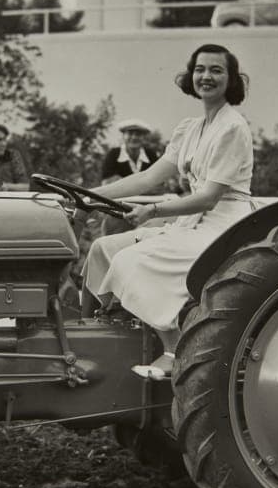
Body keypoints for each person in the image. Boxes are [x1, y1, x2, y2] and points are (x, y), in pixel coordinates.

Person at [80, 43, 254, 380]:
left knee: (132, 260)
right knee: (103, 248)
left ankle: (174, 349)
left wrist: (154, 211)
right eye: (200, 69)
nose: (206, 76)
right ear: (191, 75)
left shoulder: (233, 128)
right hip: (194, 221)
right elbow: (148, 176)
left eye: (216, 70)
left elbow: (208, 198)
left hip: (223, 225)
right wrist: (88, 195)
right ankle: (86, 336)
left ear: (231, 79)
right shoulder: (190, 128)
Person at [101, 118, 159, 185]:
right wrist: (145, 184)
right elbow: (107, 183)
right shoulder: (113, 154)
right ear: (123, 136)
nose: (134, 137)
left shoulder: (151, 155)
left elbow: (159, 183)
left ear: (143, 137)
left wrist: (122, 183)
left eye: (138, 134)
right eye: (130, 133)